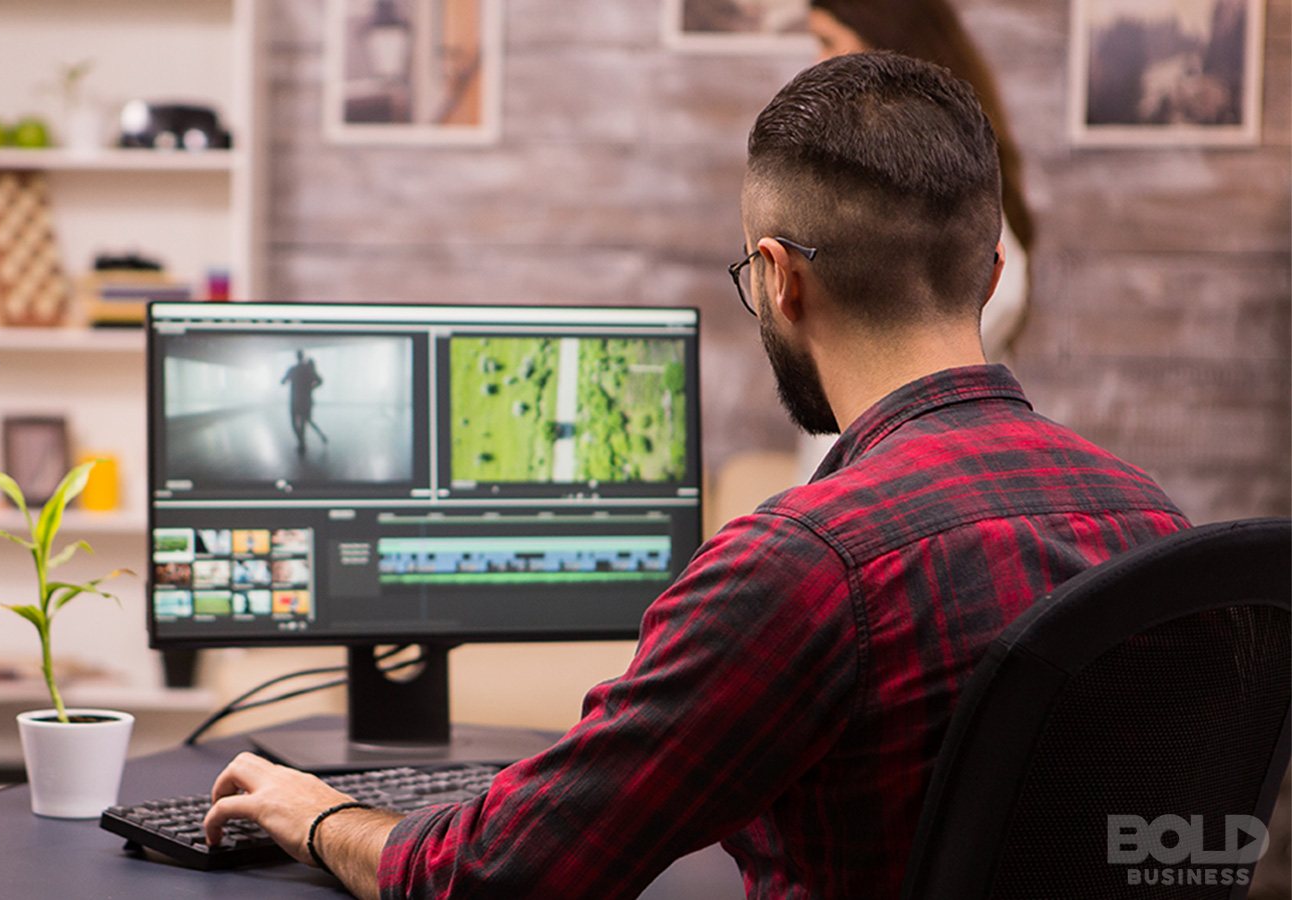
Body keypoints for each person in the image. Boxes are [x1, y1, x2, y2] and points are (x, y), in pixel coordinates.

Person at [201, 53, 1187, 899]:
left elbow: (502, 877)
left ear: (779, 278)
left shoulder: (805, 566)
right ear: (989, 272)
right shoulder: (1154, 527)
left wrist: (318, 813)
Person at [806, 0, 1035, 361]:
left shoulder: (939, 154)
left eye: (828, 41)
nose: (819, 62)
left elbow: (1006, 291)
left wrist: (895, 370)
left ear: (885, 42)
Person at [281, 350, 325, 455]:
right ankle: (304, 442)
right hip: (306, 399)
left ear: (296, 357)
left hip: (295, 400)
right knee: (305, 422)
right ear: (303, 356)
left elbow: (282, 382)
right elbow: (320, 381)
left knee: (295, 422)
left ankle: (301, 443)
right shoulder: (308, 369)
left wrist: (288, 380)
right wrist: (311, 388)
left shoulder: (292, 369)